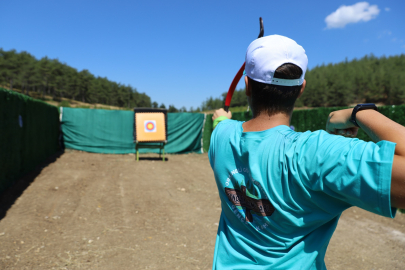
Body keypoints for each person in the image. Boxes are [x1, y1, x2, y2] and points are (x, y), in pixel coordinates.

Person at [209, 34, 405, 269]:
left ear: (248, 87)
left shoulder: (221, 137)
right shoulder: (316, 153)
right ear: (301, 88)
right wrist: (359, 113)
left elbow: (221, 121)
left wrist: (221, 118)